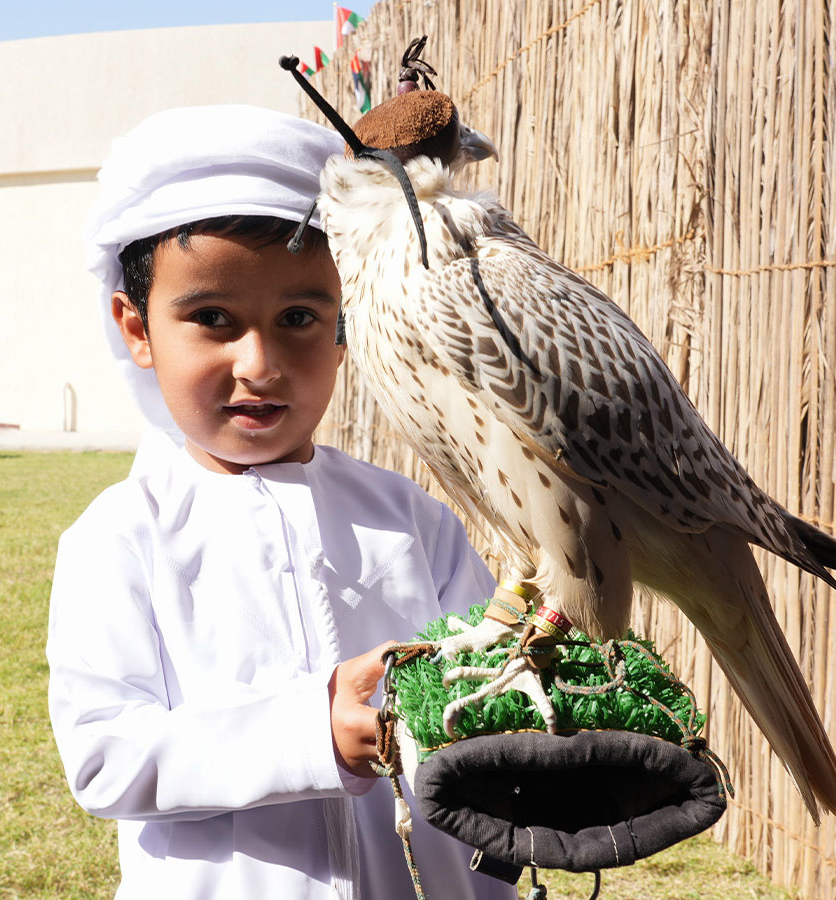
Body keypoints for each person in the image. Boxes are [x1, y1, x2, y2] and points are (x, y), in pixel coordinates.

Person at [46, 105, 513, 900]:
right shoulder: (120, 538)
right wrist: (312, 732)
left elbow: (487, 692)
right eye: (212, 320)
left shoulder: (409, 518)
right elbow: (105, 758)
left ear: (345, 324)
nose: (258, 363)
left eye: (298, 318)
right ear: (136, 327)